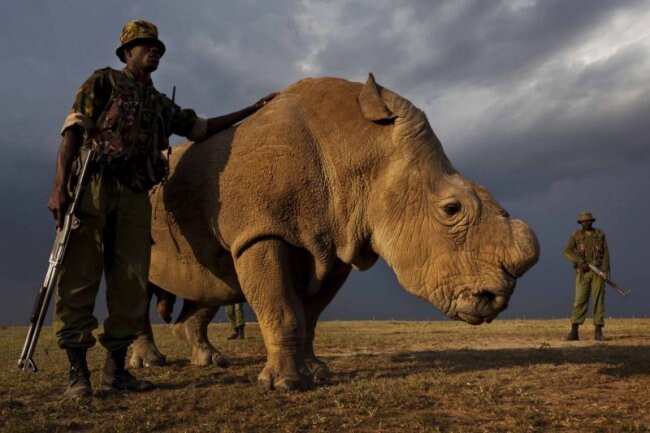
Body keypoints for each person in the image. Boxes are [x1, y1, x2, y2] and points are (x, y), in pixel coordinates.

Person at [47, 20, 276, 399]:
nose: (153, 50)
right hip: (94, 187)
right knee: (80, 278)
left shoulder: (158, 103)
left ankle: (115, 372)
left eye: (156, 46)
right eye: (144, 45)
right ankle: (78, 373)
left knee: (132, 284)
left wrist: (252, 109)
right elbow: (72, 129)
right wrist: (60, 187)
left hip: (138, 196)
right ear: (127, 53)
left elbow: (200, 127)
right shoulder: (103, 82)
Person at [563, 212, 610, 341]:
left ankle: (598, 331)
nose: (586, 223)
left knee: (598, 300)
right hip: (582, 273)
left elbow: (605, 253)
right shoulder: (576, 235)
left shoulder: (600, 234)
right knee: (579, 300)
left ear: (592, 221)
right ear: (580, 223)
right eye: (583, 221)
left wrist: (605, 270)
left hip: (598, 272)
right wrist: (579, 261)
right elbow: (567, 251)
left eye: (588, 221)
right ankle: (574, 331)